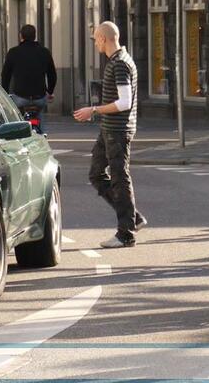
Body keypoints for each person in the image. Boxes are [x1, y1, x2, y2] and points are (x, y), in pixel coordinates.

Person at [73, 21, 147, 248]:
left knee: (119, 177)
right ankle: (132, 217)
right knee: (97, 174)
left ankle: (126, 233)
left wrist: (93, 110)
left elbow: (124, 103)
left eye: (96, 39)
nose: (95, 43)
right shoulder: (118, 61)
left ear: (104, 39)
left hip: (118, 129)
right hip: (110, 129)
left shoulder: (120, 64)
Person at [1, 24, 57, 131]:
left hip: (20, 97)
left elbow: (5, 75)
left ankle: (19, 134)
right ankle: (41, 134)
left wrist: (5, 94)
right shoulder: (44, 52)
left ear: (21, 36)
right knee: (39, 115)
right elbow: (52, 74)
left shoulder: (13, 53)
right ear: (35, 36)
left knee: (16, 118)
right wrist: (50, 91)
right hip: (39, 97)